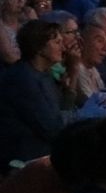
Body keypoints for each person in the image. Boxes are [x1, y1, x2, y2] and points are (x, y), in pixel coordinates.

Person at [0, 19, 67, 167]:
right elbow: (51, 128)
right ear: (39, 47)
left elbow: (61, 112)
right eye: (57, 42)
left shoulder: (43, 75)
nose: (63, 47)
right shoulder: (22, 79)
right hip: (23, 163)